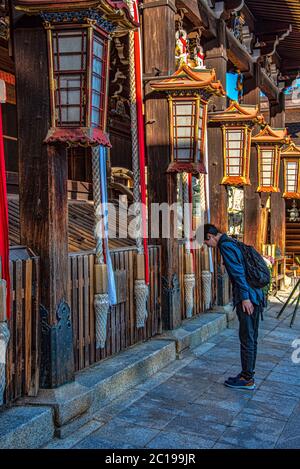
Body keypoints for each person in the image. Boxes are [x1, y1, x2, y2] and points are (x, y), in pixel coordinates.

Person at [204, 224, 266, 390]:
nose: (208, 246)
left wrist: (245, 298)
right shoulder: (232, 242)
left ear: (210, 236)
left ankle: (247, 378)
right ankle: (247, 373)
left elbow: (238, 273)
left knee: (247, 336)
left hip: (249, 297)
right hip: (256, 294)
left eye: (206, 242)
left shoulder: (225, 246)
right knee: (251, 336)